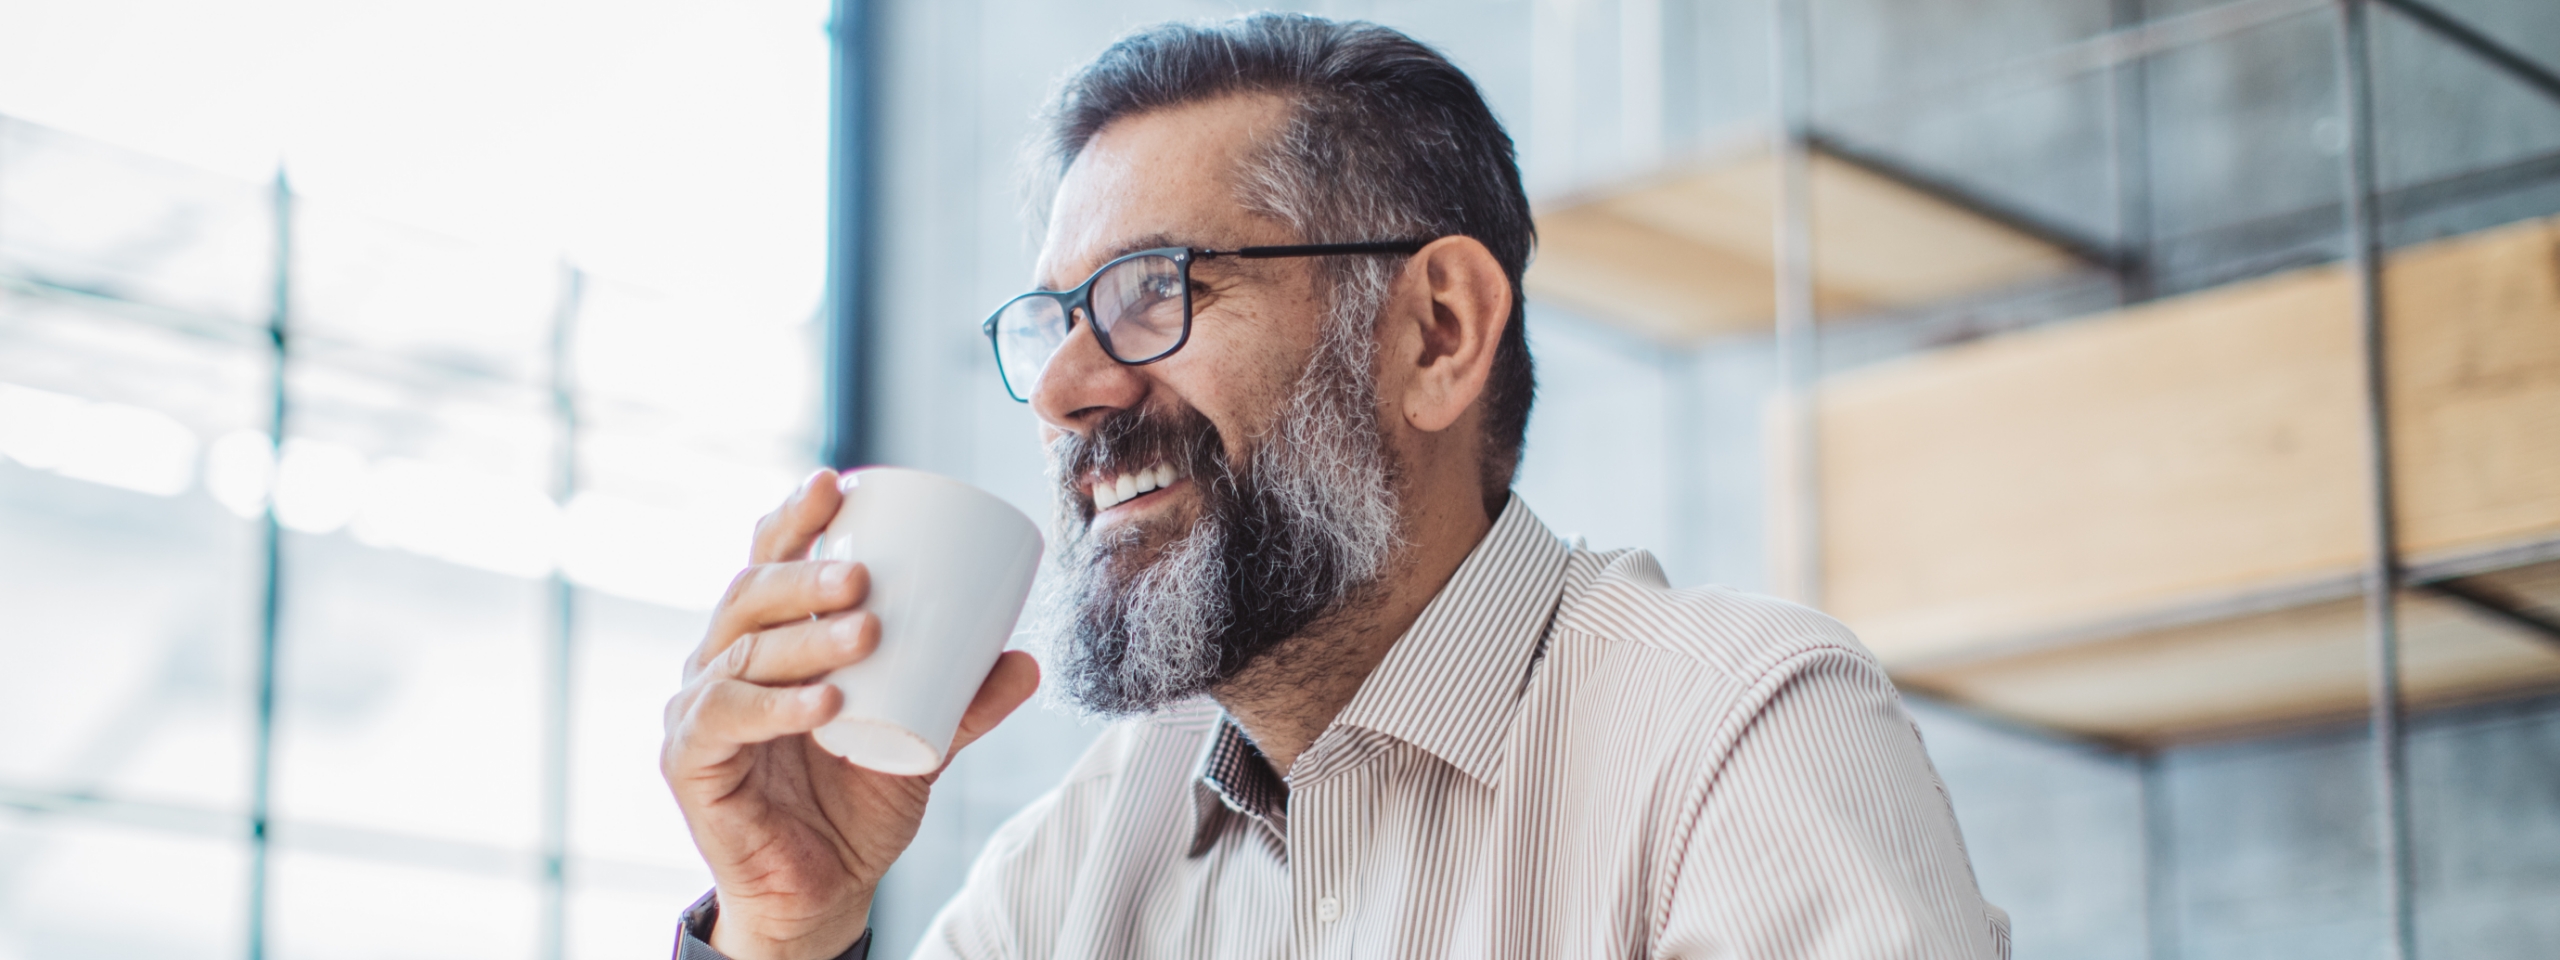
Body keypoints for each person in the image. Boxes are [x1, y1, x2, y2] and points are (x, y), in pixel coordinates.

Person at [662, 13, 2009, 960]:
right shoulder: (1076, 858)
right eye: (1052, 318)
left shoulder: (1737, 741)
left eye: (1155, 292)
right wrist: (787, 931)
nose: (1068, 388)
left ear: (1434, 333)